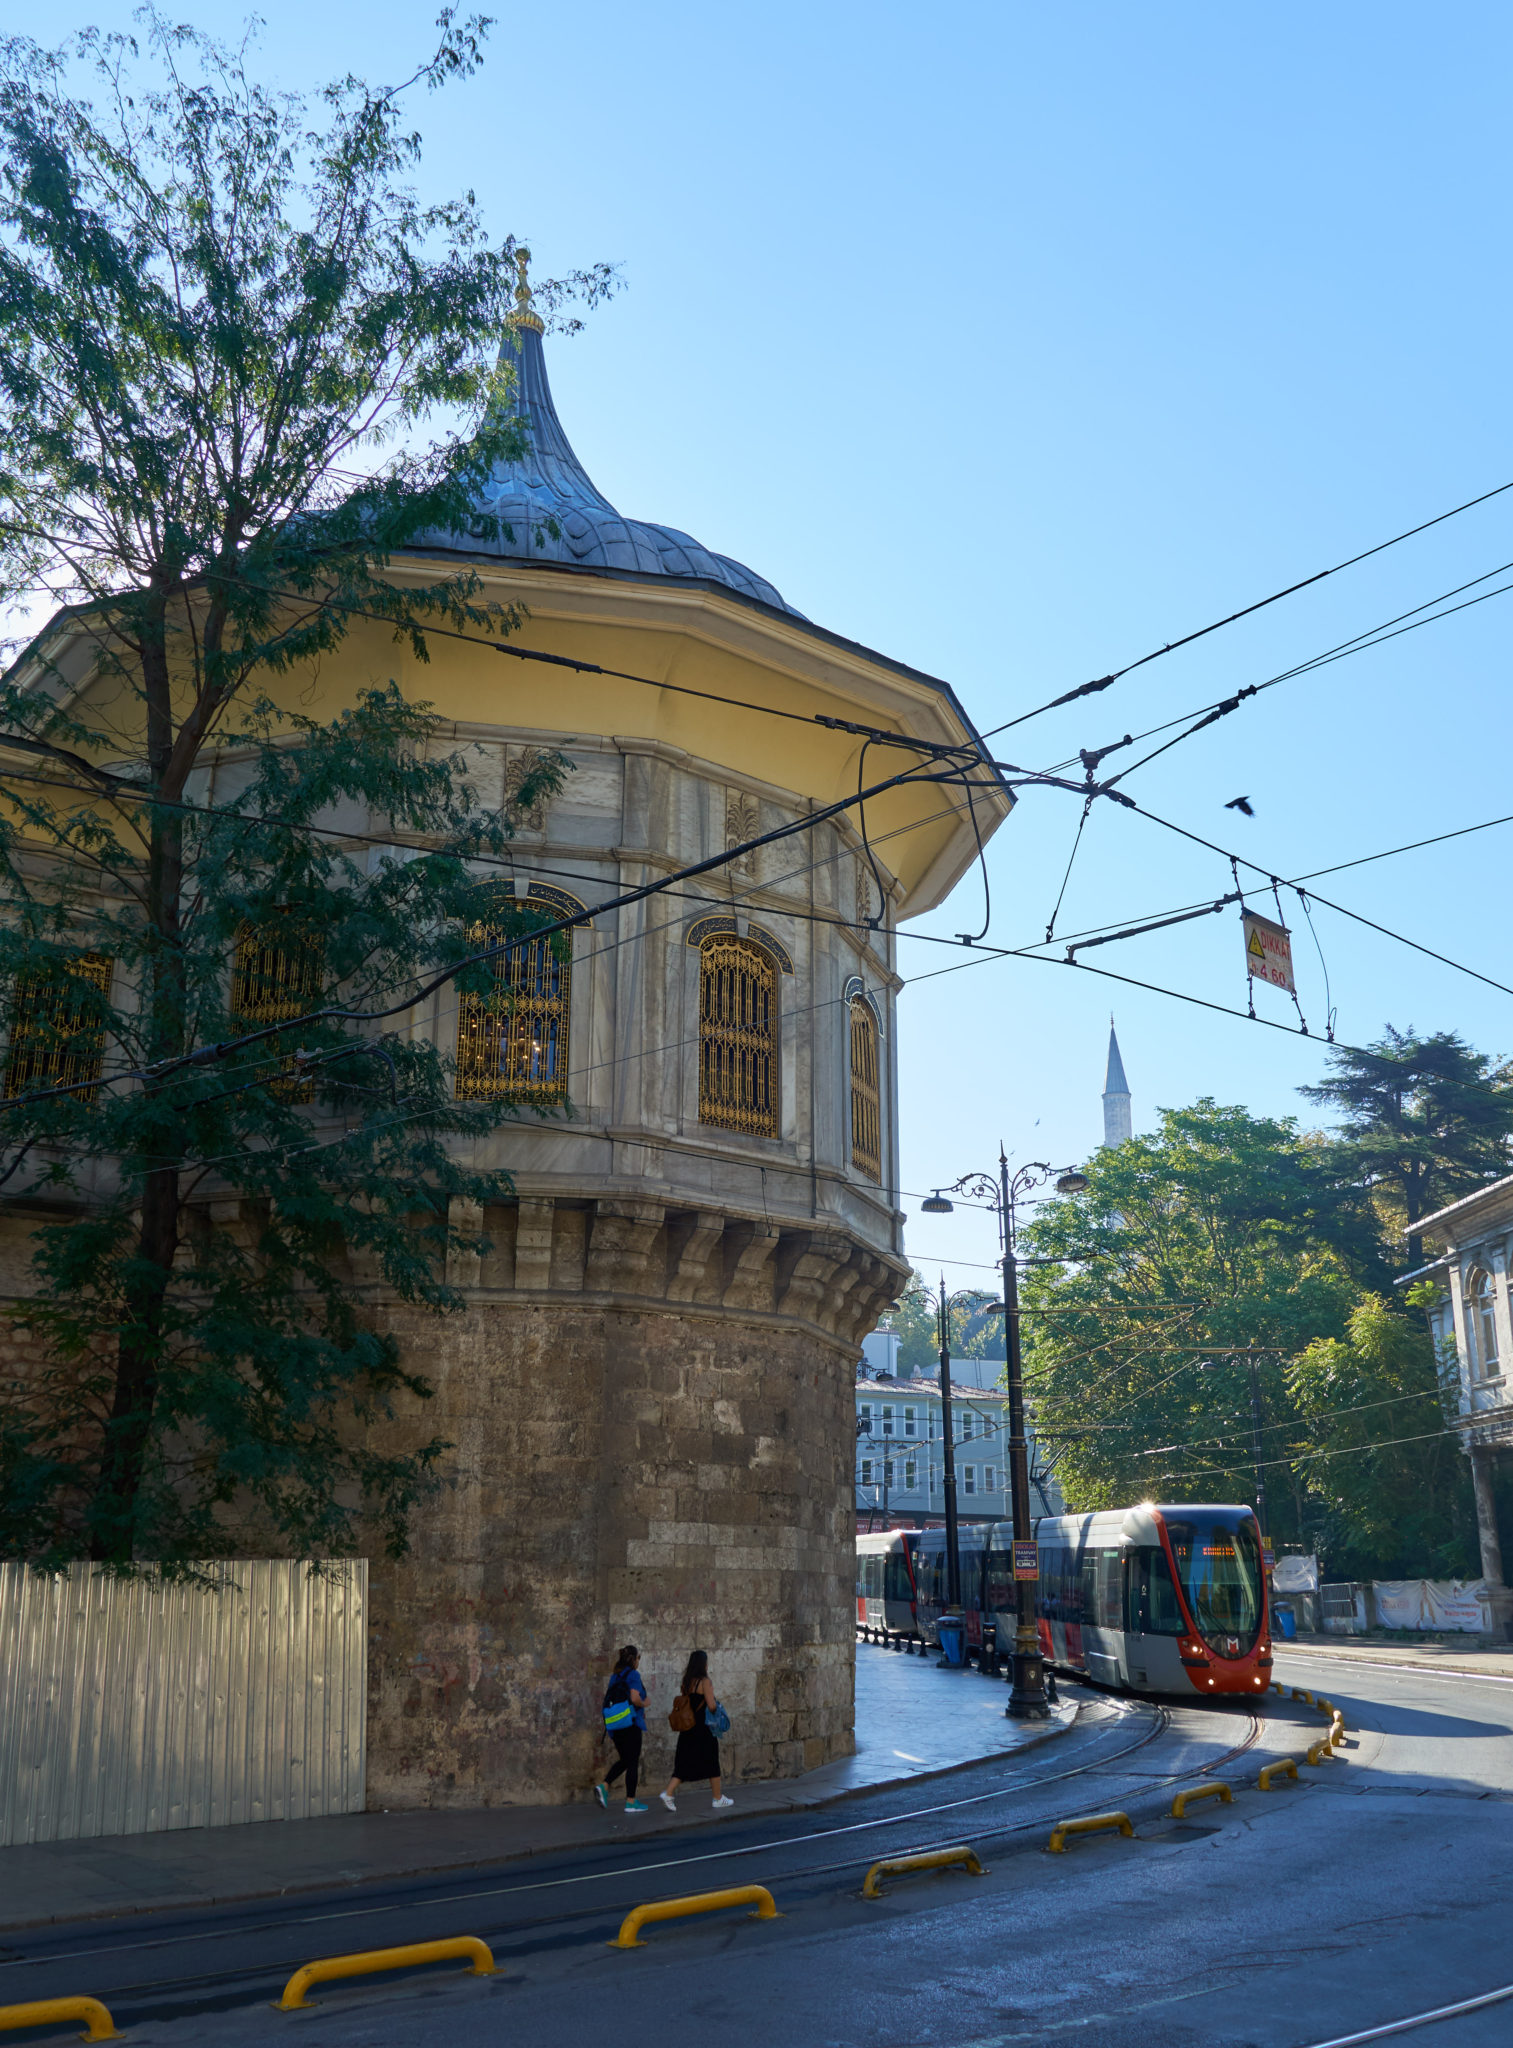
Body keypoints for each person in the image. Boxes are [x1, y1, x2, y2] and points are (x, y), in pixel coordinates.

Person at [660, 1649, 732, 1812]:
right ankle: (717, 1798)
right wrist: (718, 1707)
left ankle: (668, 1793)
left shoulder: (687, 1682)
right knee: (712, 1760)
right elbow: (711, 1706)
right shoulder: (705, 1682)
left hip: (688, 1728)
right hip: (703, 1729)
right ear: (703, 1664)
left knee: (683, 1763)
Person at [595, 1644, 649, 1812]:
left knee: (626, 1760)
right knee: (632, 1762)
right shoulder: (633, 1675)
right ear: (633, 1659)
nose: (639, 1661)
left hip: (614, 1725)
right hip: (630, 1724)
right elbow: (635, 1698)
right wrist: (644, 1703)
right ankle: (631, 1802)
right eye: (638, 1658)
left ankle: (604, 1786)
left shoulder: (615, 1677)